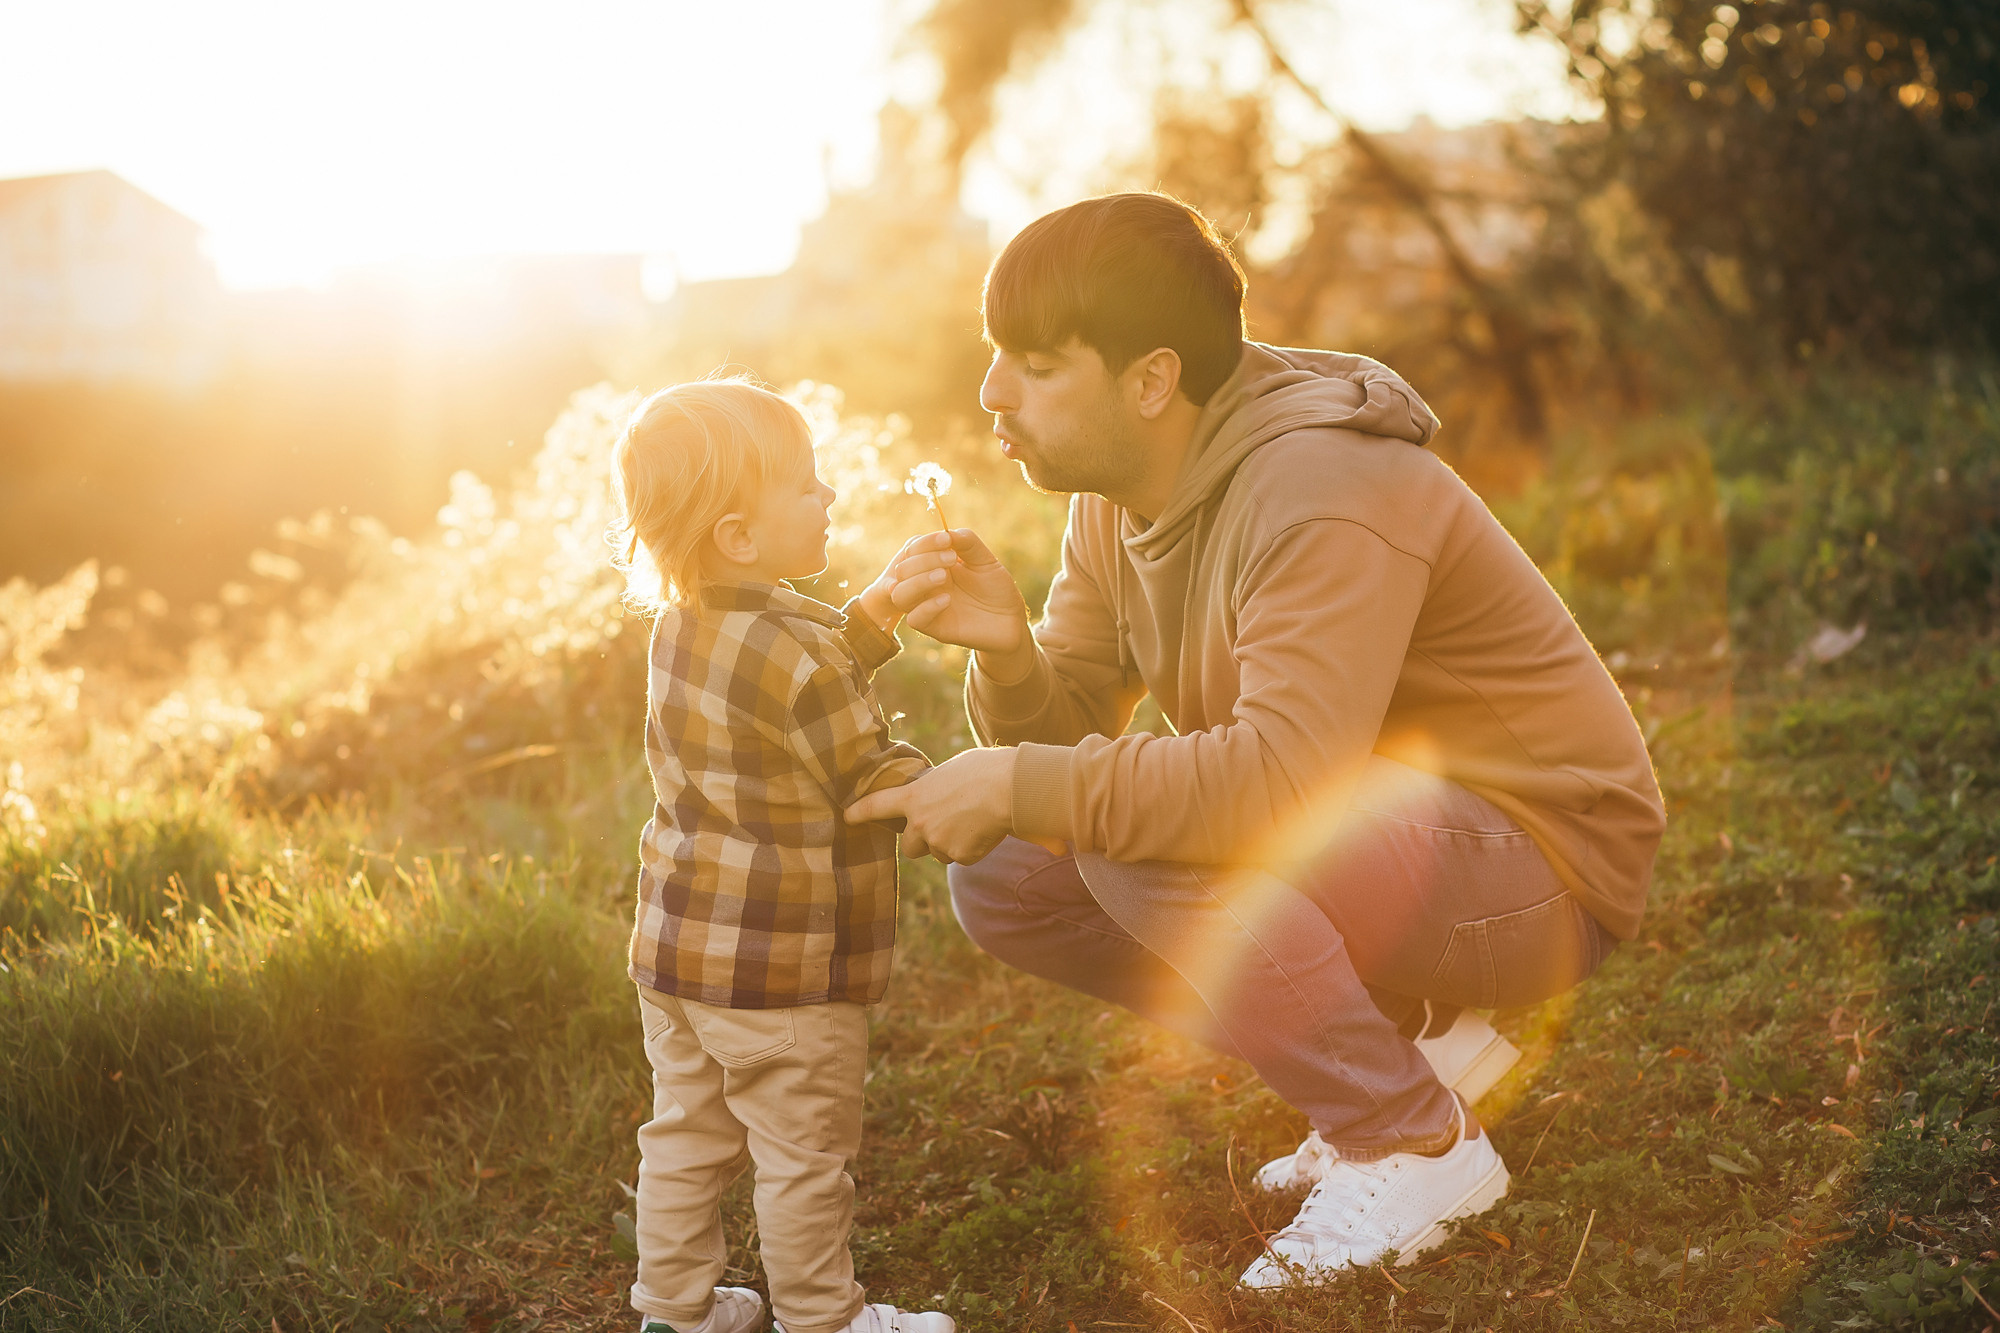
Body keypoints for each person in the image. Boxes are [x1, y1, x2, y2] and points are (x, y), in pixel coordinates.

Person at [845, 193, 1666, 1287]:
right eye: (998, 355)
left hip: (1541, 870)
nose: (993, 391)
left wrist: (1019, 777)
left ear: (1149, 381)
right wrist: (1006, 656)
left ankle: (1411, 1142)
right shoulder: (1120, 490)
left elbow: (1274, 782)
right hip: (1398, 841)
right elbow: (1077, 728)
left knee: (1121, 832)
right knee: (1006, 872)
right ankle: (1413, 1041)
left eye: (1036, 364)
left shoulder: (1321, 488)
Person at [608, 378, 955, 1333]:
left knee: (685, 1133)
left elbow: (784, 691)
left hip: (683, 954)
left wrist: (873, 616)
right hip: (785, 970)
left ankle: (674, 1314)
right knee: (803, 1152)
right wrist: (958, 787)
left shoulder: (681, 628)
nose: (830, 496)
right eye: (807, 485)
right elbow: (861, 773)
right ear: (740, 537)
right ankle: (825, 1317)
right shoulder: (801, 659)